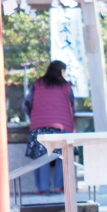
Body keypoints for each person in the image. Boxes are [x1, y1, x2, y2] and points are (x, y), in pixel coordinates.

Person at [23, 60, 75, 194]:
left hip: (40, 127)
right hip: (62, 126)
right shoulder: (67, 86)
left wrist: (34, 117)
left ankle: (43, 188)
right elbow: (73, 106)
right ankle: (60, 186)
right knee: (61, 156)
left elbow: (26, 104)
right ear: (62, 71)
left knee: (42, 156)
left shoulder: (38, 84)